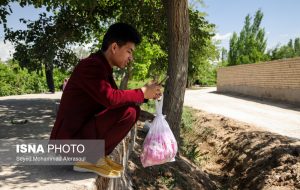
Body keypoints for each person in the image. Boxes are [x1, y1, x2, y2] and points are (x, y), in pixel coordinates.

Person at [50, 23, 162, 178]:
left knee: (131, 109)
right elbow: (111, 98)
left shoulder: (102, 67)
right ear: (114, 47)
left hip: (76, 137)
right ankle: (88, 158)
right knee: (129, 112)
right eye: (129, 51)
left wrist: (146, 95)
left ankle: (95, 156)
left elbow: (115, 99)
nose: (131, 57)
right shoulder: (91, 66)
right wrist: (142, 92)